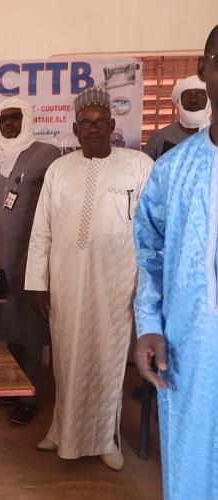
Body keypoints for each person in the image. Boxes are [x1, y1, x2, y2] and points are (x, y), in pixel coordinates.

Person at [24, 87, 153, 470]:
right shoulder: (59, 170)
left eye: (100, 123)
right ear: (76, 129)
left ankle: (105, 439)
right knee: (66, 358)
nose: (93, 129)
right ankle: (61, 432)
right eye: (86, 123)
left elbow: (153, 228)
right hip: (66, 282)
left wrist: (147, 285)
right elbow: (42, 230)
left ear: (112, 126)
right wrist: (38, 282)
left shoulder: (139, 165)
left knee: (108, 360)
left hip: (117, 283)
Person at [133, 25, 218, 500]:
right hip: (190, 352)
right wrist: (149, 324)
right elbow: (150, 253)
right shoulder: (173, 169)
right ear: (204, 69)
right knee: (192, 470)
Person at [0, 97, 61, 425]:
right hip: (4, 252)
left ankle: (29, 395)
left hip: (34, 250)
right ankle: (14, 383)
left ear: (28, 118)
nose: (8, 124)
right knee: (10, 320)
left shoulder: (47, 153)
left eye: (14, 117)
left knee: (32, 321)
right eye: (3, 119)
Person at [143, 75, 211, 160]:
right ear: (179, 102)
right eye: (187, 95)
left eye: (199, 94)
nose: (193, 100)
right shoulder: (160, 138)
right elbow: (144, 167)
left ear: (209, 100)